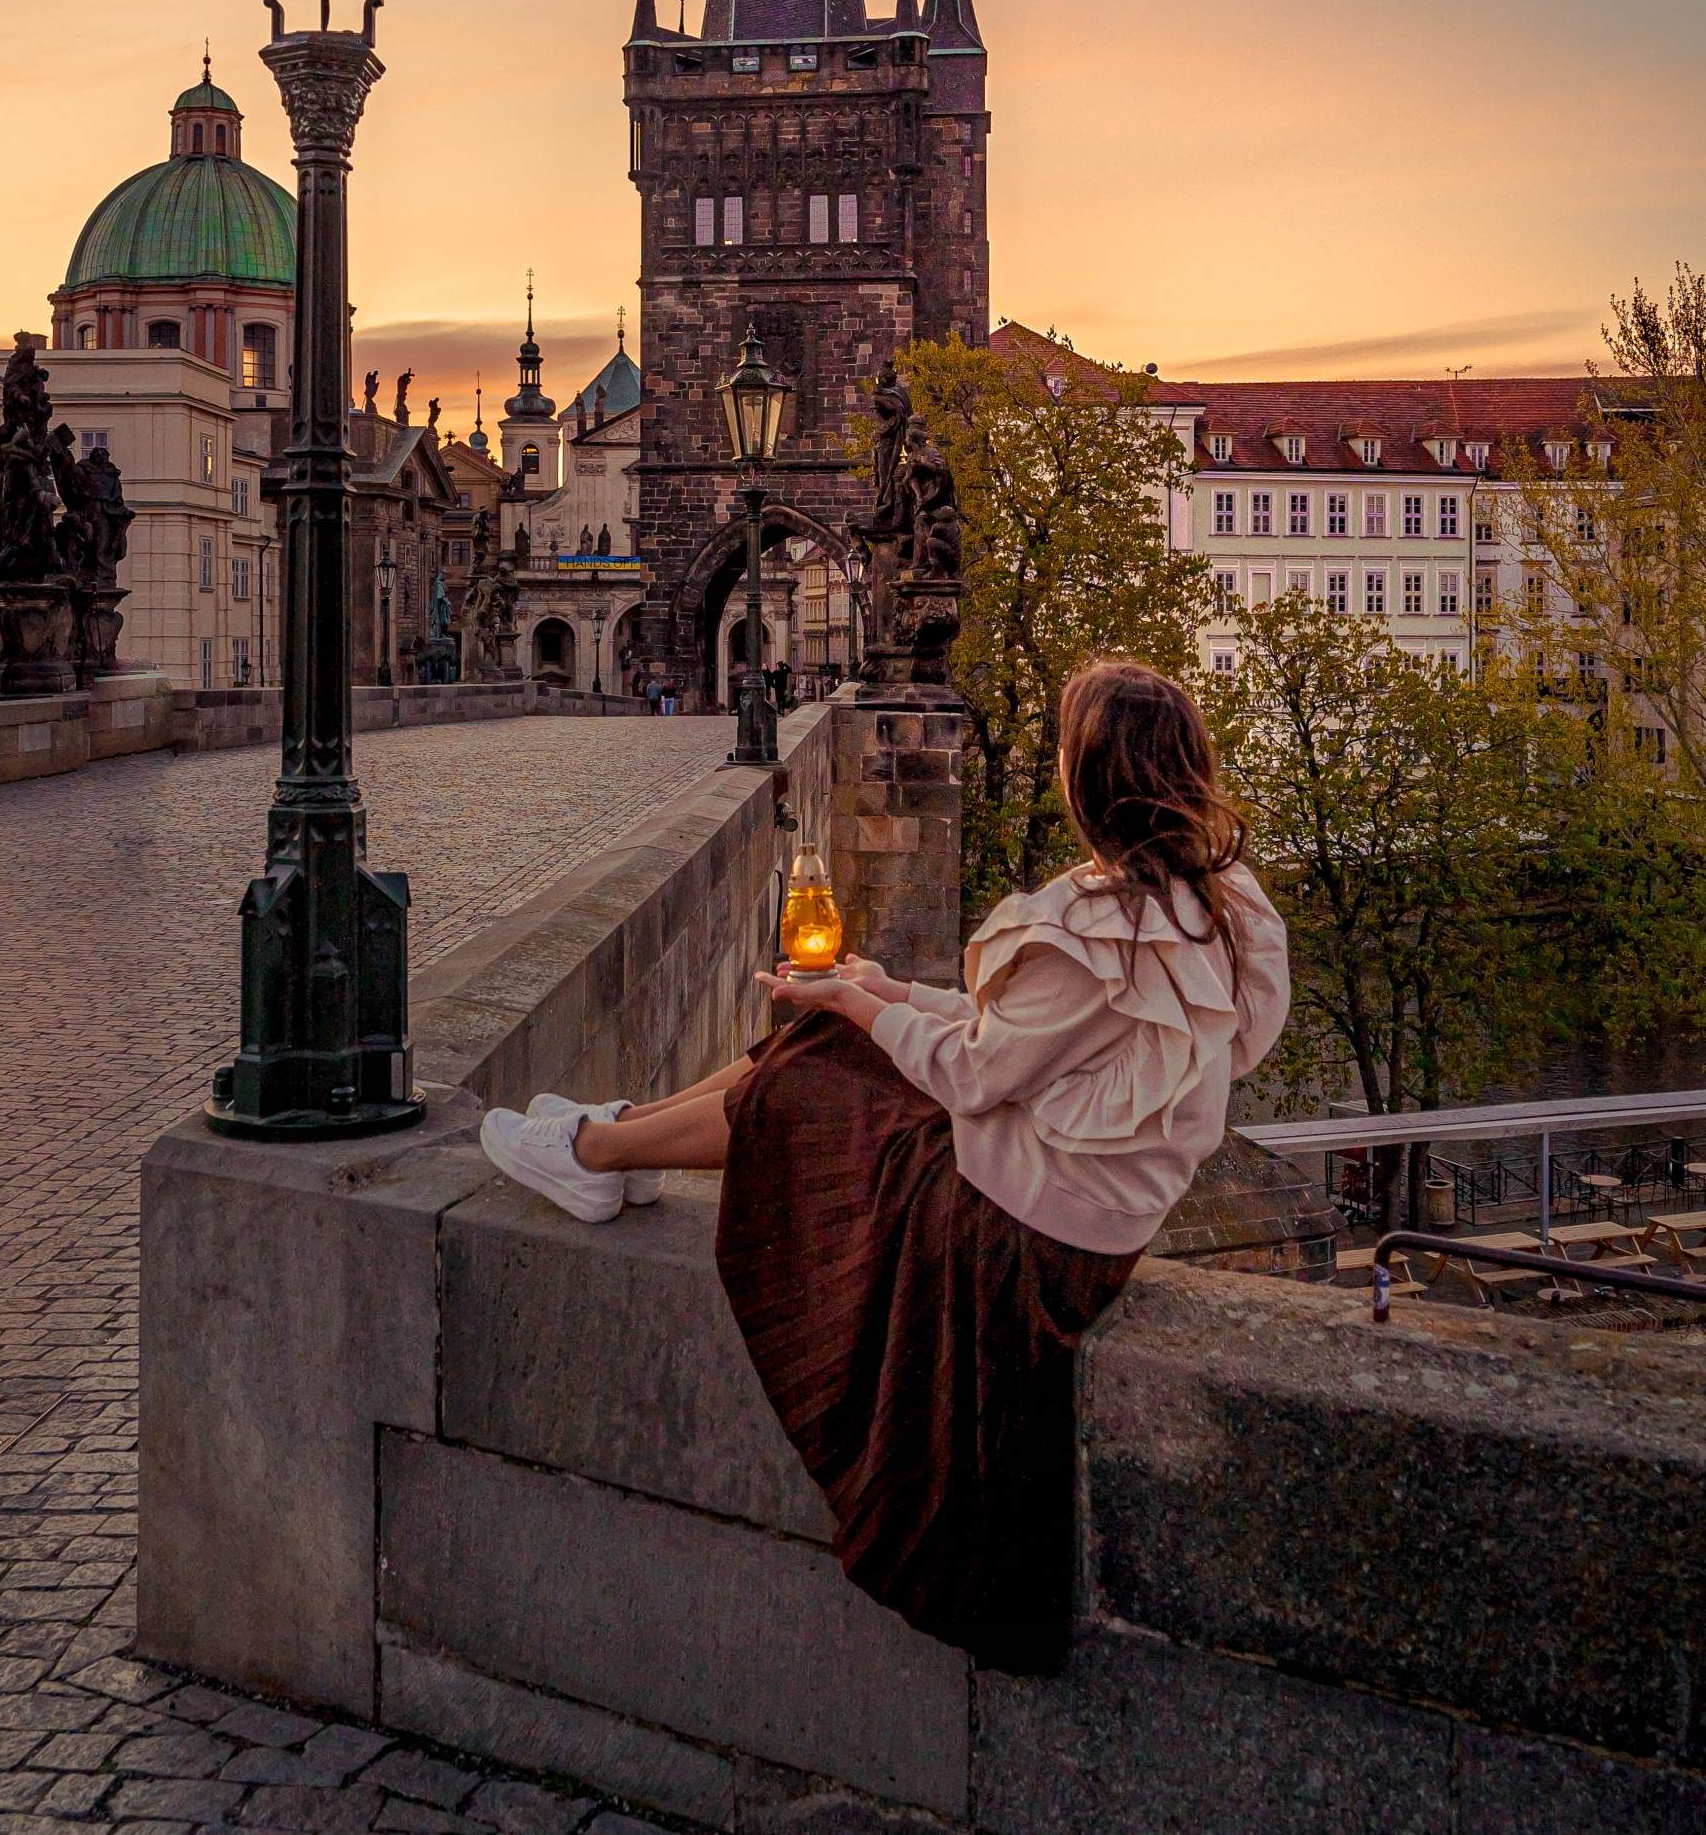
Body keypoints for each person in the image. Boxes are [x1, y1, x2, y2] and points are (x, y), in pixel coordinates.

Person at [477, 658, 1289, 1669]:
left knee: (807, 1077)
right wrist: (884, 987)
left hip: (1025, 1237)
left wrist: (864, 1002)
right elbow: (1020, 1047)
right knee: (826, 1038)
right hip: (1082, 1208)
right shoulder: (1212, 903)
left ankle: (598, 1149)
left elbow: (980, 1069)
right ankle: (613, 1140)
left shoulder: (1101, 930)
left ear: (1088, 783)